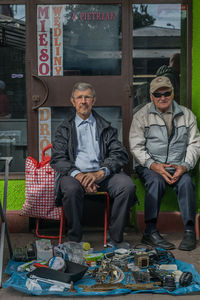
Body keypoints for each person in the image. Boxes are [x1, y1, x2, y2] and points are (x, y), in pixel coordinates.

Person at [50, 82, 137, 248]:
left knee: (126, 186)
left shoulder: (105, 126)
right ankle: (74, 239)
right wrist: (80, 176)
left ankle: (115, 239)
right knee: (70, 188)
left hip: (102, 175)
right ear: (73, 101)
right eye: (79, 98)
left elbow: (119, 154)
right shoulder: (64, 129)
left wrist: (99, 174)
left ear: (94, 100)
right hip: (74, 176)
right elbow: (58, 158)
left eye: (87, 97)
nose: (83, 101)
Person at [129, 76, 200, 251]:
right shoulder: (141, 115)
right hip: (149, 164)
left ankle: (190, 231)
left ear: (173, 93)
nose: (162, 97)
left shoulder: (187, 115)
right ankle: (150, 231)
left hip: (178, 164)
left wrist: (185, 166)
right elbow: (135, 145)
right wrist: (153, 165)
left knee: (186, 183)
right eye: (157, 94)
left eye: (166, 93)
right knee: (155, 181)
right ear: (151, 96)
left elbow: (194, 144)